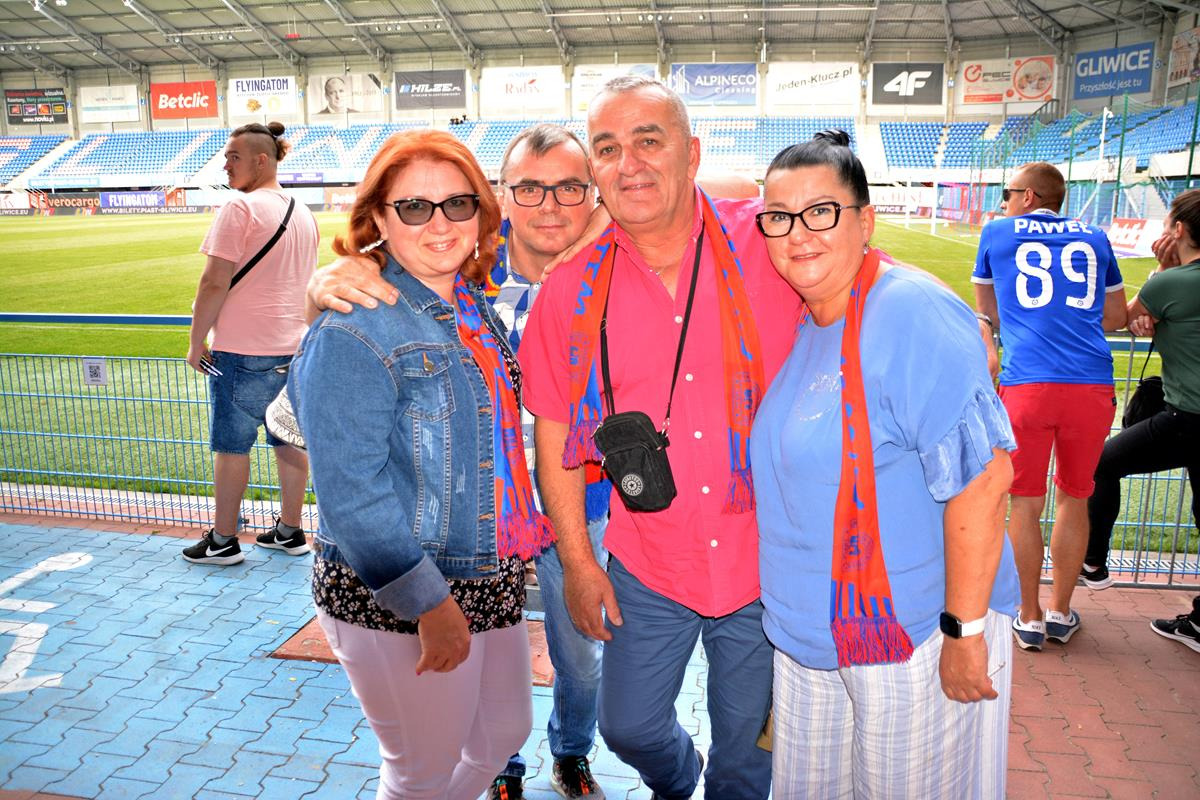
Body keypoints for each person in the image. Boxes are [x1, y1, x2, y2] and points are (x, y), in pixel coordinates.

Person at [305, 123, 610, 800]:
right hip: (415, 577)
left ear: (480, 210)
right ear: (379, 216)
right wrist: (426, 601)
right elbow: (350, 490)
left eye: (456, 203)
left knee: (501, 731)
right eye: (414, 206)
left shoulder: (468, 302)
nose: (439, 222)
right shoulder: (359, 318)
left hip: (492, 559)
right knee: (421, 768)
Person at [519, 75, 802, 799]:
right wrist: (578, 563)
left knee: (749, 754)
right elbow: (555, 435)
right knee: (630, 728)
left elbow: (863, 275)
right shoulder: (569, 288)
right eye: (608, 148)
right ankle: (679, 783)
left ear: (692, 153)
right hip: (649, 560)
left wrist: (965, 323)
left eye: (649, 140)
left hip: (767, 562)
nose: (630, 163)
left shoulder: (769, 240)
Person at [750, 131, 1019, 797]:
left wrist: (964, 631)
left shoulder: (908, 310)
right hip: (812, 641)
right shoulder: (810, 322)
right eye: (779, 217)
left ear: (865, 221)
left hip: (916, 636)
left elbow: (985, 481)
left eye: (821, 212)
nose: (798, 233)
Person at [972, 161, 1127, 652]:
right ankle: (1060, 611)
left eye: (1008, 193)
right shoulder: (1096, 237)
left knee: (1024, 501)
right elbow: (1115, 316)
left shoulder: (997, 233)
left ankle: (1029, 615)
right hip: (1090, 384)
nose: (1002, 202)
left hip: (1027, 384)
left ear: (1029, 197)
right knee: (1075, 497)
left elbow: (987, 311)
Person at [183, 121, 318, 566]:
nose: (226, 165)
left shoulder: (239, 208)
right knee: (289, 442)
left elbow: (213, 282)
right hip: (294, 350)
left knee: (231, 447)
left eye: (234, 157)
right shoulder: (303, 211)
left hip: (241, 352)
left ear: (262, 161)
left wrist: (196, 341)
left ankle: (223, 541)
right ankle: (290, 530)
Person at [1084, 189, 1200, 592]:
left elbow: (1119, 317)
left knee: (1103, 464)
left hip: (1189, 416)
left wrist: (1160, 271)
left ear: (1178, 230)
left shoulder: (1171, 283)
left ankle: (1092, 562)